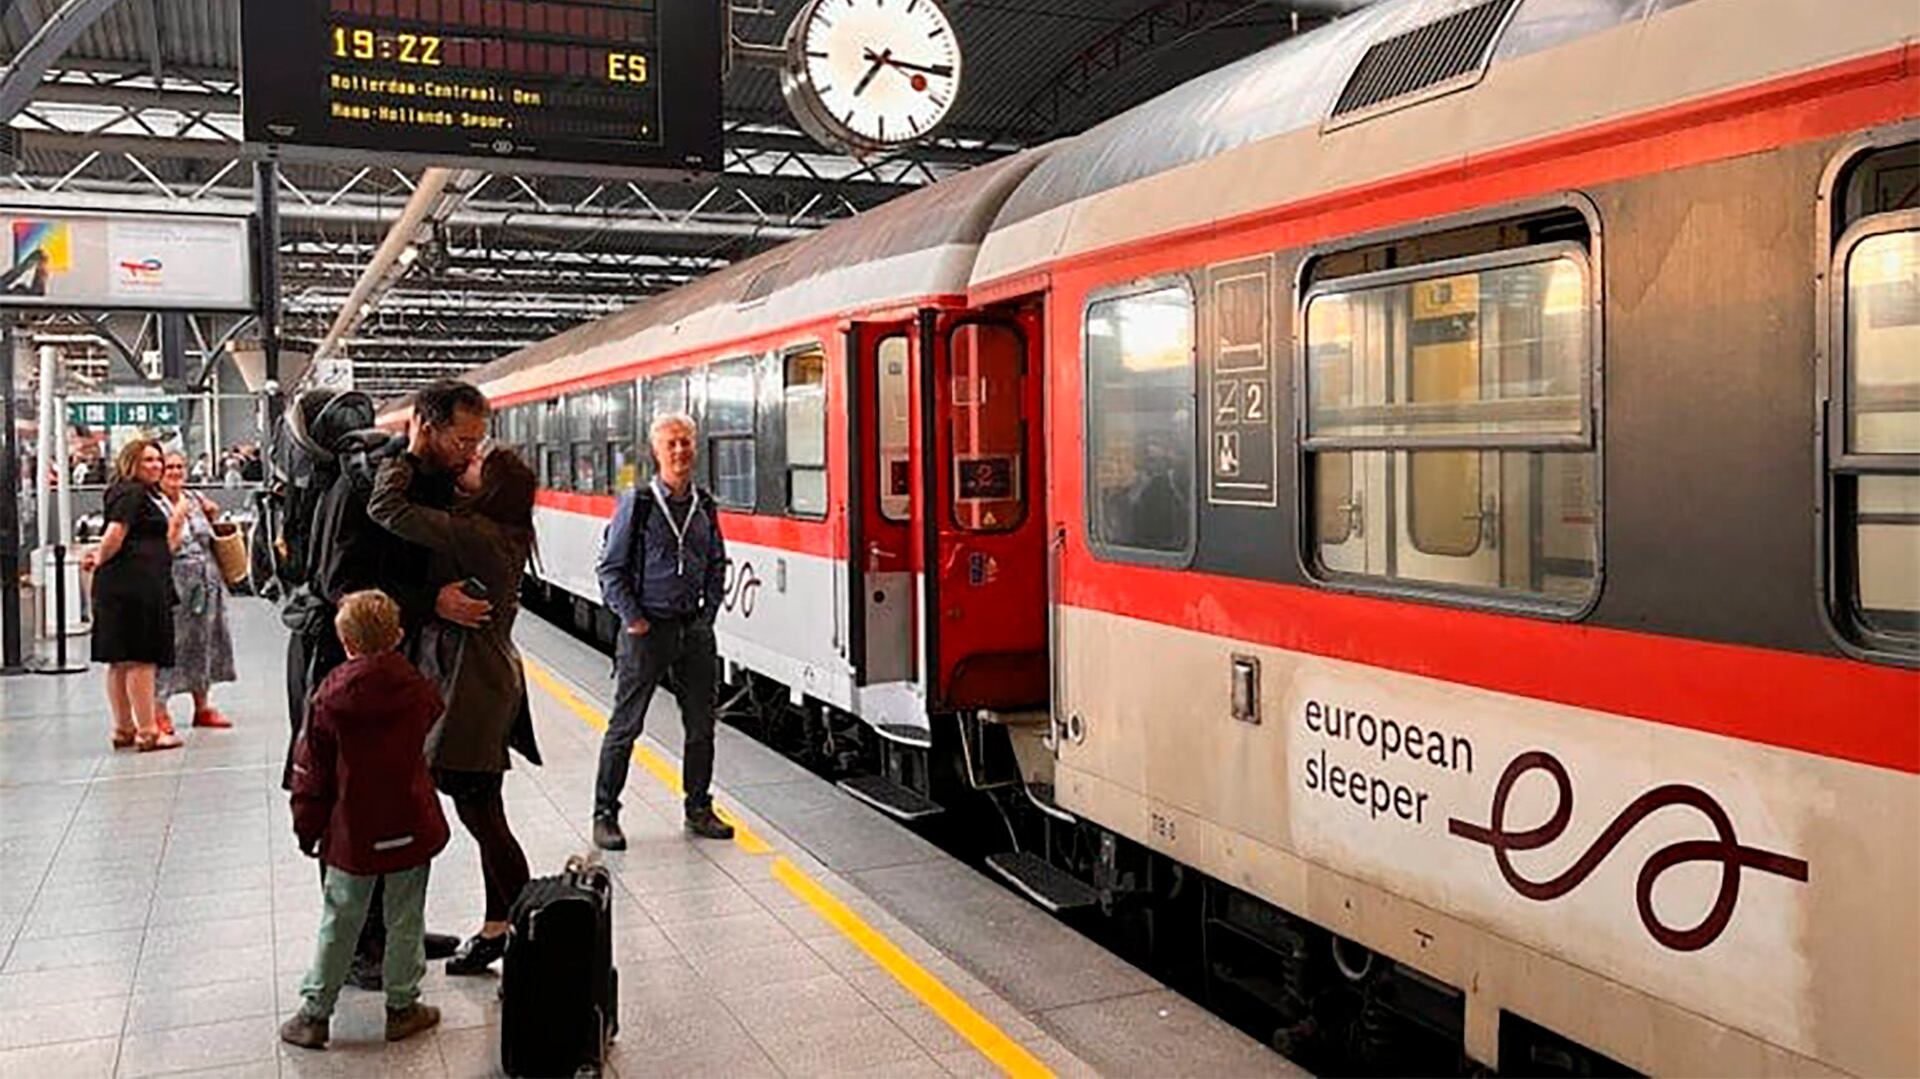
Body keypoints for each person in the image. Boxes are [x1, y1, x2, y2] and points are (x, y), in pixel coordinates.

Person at [283, 379, 492, 989]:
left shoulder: (426, 484)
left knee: (396, 793)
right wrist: (432, 601)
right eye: (462, 441)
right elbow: (338, 582)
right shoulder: (362, 482)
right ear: (424, 426)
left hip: (394, 664)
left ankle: (397, 928)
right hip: (338, 662)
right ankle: (355, 946)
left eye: (477, 442)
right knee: (349, 800)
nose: (470, 453)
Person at [368, 440, 541, 977]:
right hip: (487, 682)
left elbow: (386, 509)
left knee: (482, 817)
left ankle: (532, 933)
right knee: (486, 810)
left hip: (473, 692)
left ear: (491, 486)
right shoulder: (498, 529)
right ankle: (497, 928)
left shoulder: (476, 533)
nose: (468, 460)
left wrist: (399, 458)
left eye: (478, 462)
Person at [281, 590, 447, 1051]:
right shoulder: (418, 689)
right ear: (398, 636)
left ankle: (315, 1014)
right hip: (411, 824)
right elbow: (432, 713)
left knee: (340, 920)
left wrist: (306, 829)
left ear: (345, 642)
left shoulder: (329, 697)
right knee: (405, 919)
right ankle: (403, 1007)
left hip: (353, 833)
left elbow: (310, 776)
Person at [593, 412, 733, 848]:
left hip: (693, 629)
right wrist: (633, 619)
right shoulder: (638, 503)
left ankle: (698, 808)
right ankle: (605, 814)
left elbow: (716, 561)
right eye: (670, 443)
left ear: (695, 447)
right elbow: (610, 568)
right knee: (626, 725)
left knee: (701, 726)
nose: (679, 450)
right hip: (647, 631)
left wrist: (708, 613)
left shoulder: (704, 504)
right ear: (656, 451)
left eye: (685, 442)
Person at [84, 439, 186, 752]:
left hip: (127, 583)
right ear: (131, 463)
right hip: (136, 586)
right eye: (148, 460)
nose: (156, 466)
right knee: (142, 658)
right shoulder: (133, 493)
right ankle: (147, 731)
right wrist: (98, 557)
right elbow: (115, 533)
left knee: (119, 660)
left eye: (158, 460)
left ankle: (124, 728)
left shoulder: (131, 492)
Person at [156, 453, 236, 729]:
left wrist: (213, 518)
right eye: (169, 467)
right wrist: (177, 519)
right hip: (173, 583)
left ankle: (202, 706)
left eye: (180, 466)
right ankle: (159, 708)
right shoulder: (155, 504)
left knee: (206, 640)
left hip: (206, 581)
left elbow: (208, 537)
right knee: (170, 643)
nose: (175, 472)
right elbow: (163, 547)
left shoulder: (195, 498)